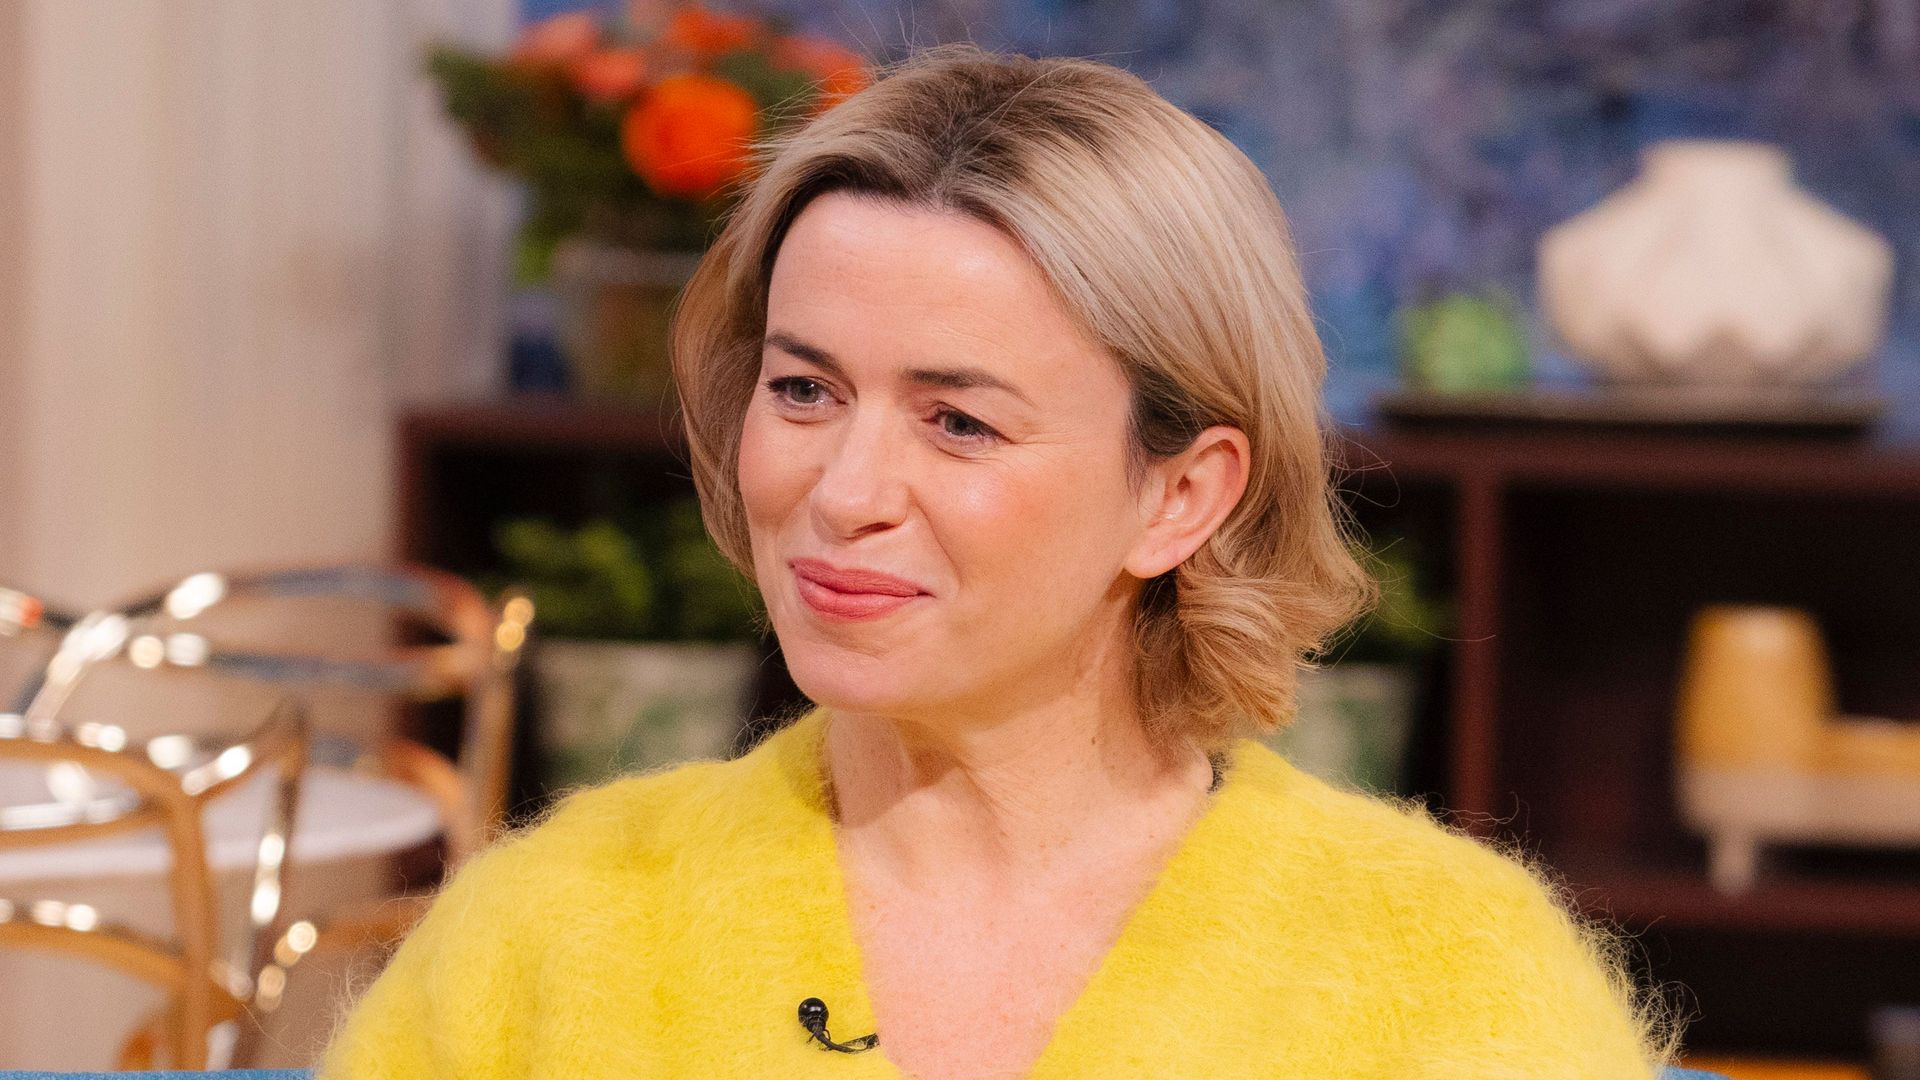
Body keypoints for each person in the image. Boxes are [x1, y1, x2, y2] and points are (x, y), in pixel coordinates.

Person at [318, 42, 1683, 1079]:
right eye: (802, 391)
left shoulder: (1455, 982)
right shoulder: (538, 940)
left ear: (1181, 497)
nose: (843, 491)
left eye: (958, 420)